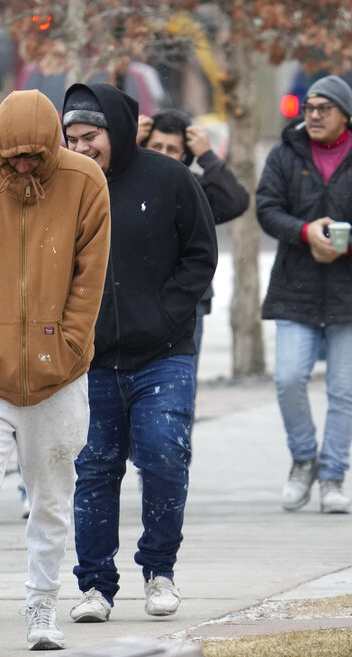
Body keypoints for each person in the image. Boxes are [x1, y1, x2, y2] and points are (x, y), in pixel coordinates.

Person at [0, 89, 111, 654]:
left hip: (59, 372)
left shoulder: (85, 182)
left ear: (55, 145)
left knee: (52, 495)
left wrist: (71, 344)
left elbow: (90, 276)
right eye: (14, 156)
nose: (25, 164)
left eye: (36, 155)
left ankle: (42, 603)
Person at [62, 83, 218, 623]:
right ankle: (96, 587)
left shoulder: (169, 178)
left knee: (164, 454)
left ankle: (159, 569)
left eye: (91, 137)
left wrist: (164, 315)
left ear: (119, 132)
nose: (81, 148)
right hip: (92, 359)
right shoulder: (63, 188)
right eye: (71, 138)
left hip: (164, 353)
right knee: (95, 469)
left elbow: (201, 255)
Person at [255, 75, 352, 514]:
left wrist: (349, 245)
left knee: (342, 389)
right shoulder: (286, 154)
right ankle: (305, 458)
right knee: (287, 379)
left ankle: (333, 475)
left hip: (351, 287)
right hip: (294, 285)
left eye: (323, 108)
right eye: (308, 108)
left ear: (345, 113)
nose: (314, 116)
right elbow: (266, 208)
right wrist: (304, 232)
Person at [137, 108, 249, 355]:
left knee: (180, 384)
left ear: (185, 154)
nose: (163, 155)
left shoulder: (193, 188)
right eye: (156, 146)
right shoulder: (128, 181)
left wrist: (208, 155)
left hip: (187, 301)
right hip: (134, 296)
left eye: (172, 149)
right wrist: (127, 146)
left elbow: (236, 202)